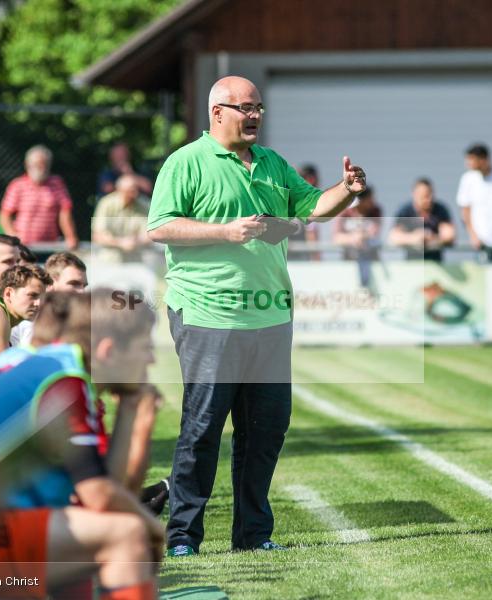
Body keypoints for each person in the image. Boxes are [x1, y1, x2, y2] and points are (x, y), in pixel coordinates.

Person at [147, 75, 367, 556]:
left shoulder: (272, 163)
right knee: (202, 429)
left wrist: (347, 191)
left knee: (265, 430)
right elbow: (160, 227)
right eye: (244, 108)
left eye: (258, 108)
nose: (254, 116)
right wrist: (225, 232)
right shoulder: (186, 162)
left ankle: (253, 535)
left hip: (269, 317)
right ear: (217, 112)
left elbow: (313, 208)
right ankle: (183, 536)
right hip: (207, 313)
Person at [0, 291, 163, 600]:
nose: (151, 360)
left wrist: (132, 409)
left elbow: (107, 491)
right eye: (146, 348)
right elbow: (100, 497)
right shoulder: (64, 380)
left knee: (84, 530)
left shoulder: (38, 363)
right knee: (127, 535)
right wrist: (154, 527)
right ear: (108, 351)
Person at [0, 145, 78, 249]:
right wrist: (13, 236)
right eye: (36, 164)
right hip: (24, 246)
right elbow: (5, 215)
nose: (41, 168)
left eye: (44, 164)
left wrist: (70, 237)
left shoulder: (57, 183)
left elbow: (65, 212)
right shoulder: (17, 185)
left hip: (49, 245)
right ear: (27, 165)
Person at [390, 178, 455, 262]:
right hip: (412, 263)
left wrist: (432, 239)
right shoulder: (405, 211)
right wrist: (415, 238)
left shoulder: (440, 210)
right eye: (424, 196)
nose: (428, 199)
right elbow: (394, 237)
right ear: (414, 195)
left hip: (435, 263)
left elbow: (449, 235)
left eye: (430, 195)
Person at [93, 174, 152, 263]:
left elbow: (150, 234)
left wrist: (135, 241)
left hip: (137, 261)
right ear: (119, 190)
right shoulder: (106, 204)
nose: (135, 194)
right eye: (130, 191)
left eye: (136, 189)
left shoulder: (145, 205)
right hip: (109, 260)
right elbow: (98, 235)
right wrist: (120, 242)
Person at [333, 187, 382, 288]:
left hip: (371, 262)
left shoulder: (376, 211)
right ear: (360, 200)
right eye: (370, 199)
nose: (373, 202)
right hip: (348, 262)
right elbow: (336, 237)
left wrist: (362, 235)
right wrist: (352, 238)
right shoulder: (344, 211)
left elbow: (374, 232)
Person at [287, 164, 321, 261]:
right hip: (299, 259)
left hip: (285, 257)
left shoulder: (291, 199)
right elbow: (311, 235)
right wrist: (317, 260)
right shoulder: (310, 202)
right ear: (311, 179)